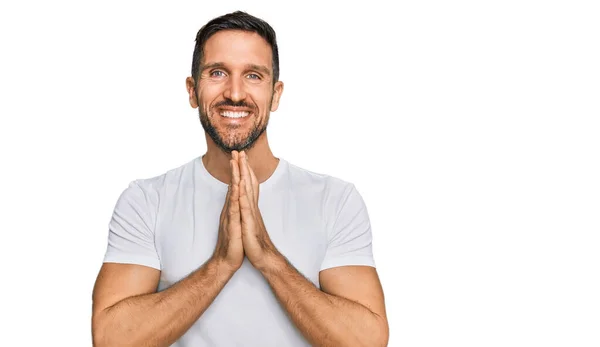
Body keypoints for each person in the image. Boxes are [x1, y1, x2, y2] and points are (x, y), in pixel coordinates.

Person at [91, 10, 388, 347]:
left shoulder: (335, 201)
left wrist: (267, 257)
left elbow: (368, 342)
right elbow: (111, 339)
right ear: (192, 91)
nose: (234, 93)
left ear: (275, 94)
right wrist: (220, 265)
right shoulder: (146, 201)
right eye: (217, 72)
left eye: (253, 76)